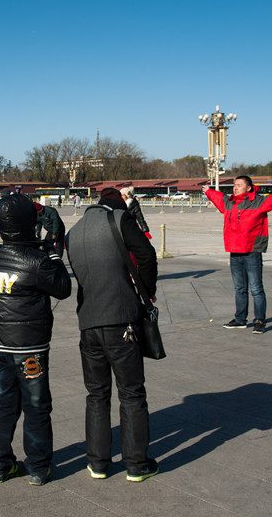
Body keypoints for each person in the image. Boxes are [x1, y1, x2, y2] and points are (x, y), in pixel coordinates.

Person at [65, 187, 158, 482]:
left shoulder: (74, 232)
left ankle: (98, 463)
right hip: (121, 320)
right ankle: (136, 463)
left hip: (88, 322)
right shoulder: (120, 219)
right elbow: (147, 255)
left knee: (96, 394)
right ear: (118, 202)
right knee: (131, 393)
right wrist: (147, 292)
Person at [0, 193, 71, 486]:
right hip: (30, 348)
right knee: (36, 406)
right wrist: (53, 252)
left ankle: (0, 464)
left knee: (4, 405)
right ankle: (37, 466)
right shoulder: (37, 261)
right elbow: (62, 287)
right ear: (28, 224)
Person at [204, 176, 272, 334]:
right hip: (235, 251)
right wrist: (208, 191)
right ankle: (240, 319)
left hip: (252, 251)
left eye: (239, 185)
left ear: (249, 188)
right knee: (239, 288)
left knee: (256, 288)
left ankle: (259, 320)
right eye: (234, 185)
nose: (235, 188)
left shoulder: (258, 202)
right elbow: (219, 197)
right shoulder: (229, 203)